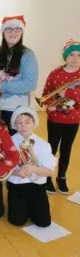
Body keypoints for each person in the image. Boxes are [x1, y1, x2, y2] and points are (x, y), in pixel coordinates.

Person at [0, 15, 38, 134]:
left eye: (17, 29)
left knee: (12, 147)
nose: (13, 33)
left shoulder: (28, 55)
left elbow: (30, 84)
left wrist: (4, 87)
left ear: (22, 32)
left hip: (16, 111)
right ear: (3, 32)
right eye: (8, 29)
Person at [41, 39, 80, 194]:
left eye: (79, 55)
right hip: (55, 118)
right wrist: (48, 105)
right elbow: (46, 93)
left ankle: (62, 176)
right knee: (52, 147)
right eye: (71, 54)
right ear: (65, 56)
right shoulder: (55, 74)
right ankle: (48, 176)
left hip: (74, 119)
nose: (75, 58)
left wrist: (67, 93)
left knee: (66, 149)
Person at [7, 106, 55, 227]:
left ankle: (29, 207)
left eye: (27, 122)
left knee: (44, 223)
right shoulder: (8, 142)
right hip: (17, 185)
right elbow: (4, 167)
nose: (23, 126)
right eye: (19, 123)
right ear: (15, 125)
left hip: (37, 186)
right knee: (16, 221)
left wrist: (33, 169)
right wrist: (16, 173)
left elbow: (49, 172)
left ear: (34, 124)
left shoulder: (44, 144)